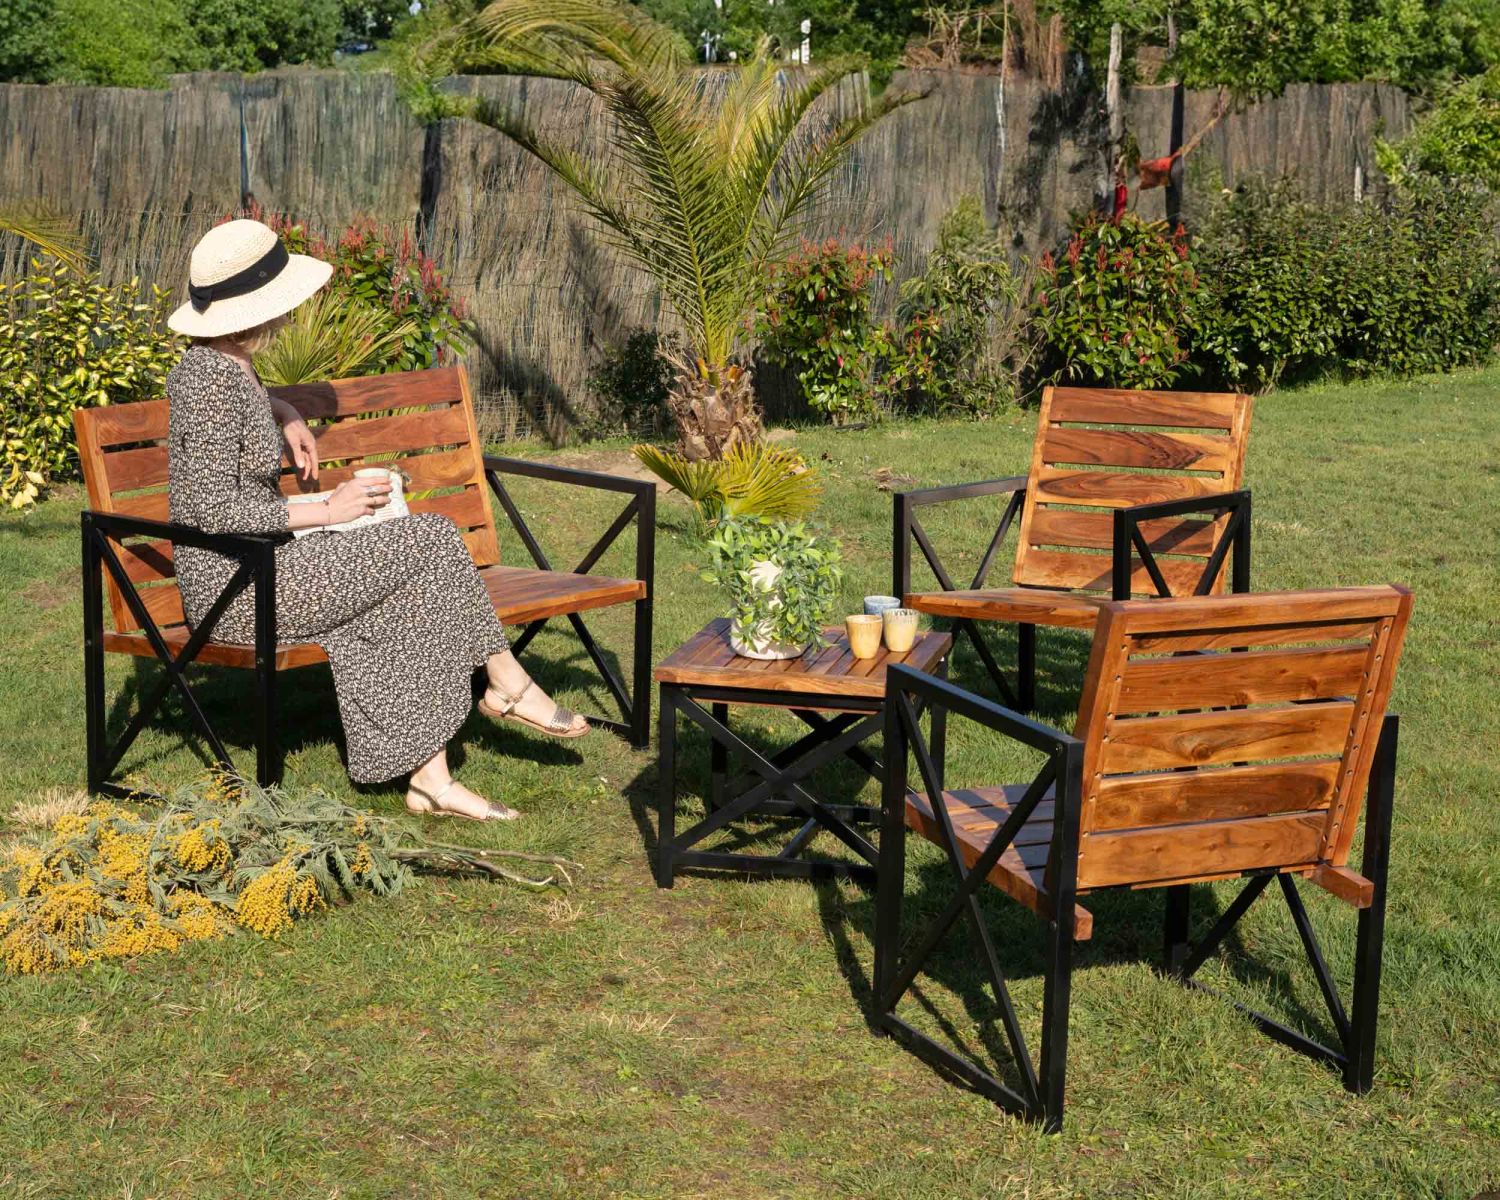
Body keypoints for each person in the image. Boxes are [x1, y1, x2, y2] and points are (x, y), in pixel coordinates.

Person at [165, 219, 588, 821]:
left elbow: (239, 422)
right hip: (237, 590)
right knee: (431, 538)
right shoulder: (206, 380)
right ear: (251, 310)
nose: (288, 314)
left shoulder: (229, 364)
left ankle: (431, 782)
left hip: (268, 567)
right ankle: (503, 680)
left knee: (405, 582)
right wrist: (323, 510)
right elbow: (205, 510)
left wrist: (281, 409)